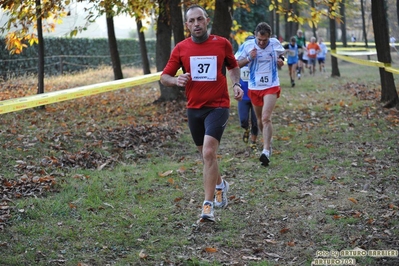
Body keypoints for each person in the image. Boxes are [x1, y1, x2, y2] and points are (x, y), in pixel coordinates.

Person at [160, 5, 243, 222]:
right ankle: (220, 185)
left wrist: (236, 84)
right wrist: (175, 80)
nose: (196, 24)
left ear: (206, 20)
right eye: (192, 21)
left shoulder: (222, 43)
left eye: (200, 19)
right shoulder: (181, 48)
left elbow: (233, 66)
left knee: (208, 153)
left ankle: (207, 207)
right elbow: (164, 76)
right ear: (187, 25)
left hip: (218, 106)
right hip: (194, 108)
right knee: (207, 156)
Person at [235, 22, 285, 167]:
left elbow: (282, 55)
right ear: (255, 36)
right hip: (255, 87)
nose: (262, 43)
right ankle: (267, 141)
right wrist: (249, 58)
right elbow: (236, 64)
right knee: (259, 120)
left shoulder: (275, 44)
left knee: (266, 118)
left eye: (265, 40)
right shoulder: (247, 46)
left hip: (271, 85)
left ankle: (266, 151)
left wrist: (281, 61)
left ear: (270, 37)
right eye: (259, 40)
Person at [235, 35, 259, 151]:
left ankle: (253, 141)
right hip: (243, 95)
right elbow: (234, 65)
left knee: (256, 121)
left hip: (256, 94)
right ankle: (246, 129)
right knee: (243, 120)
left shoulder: (260, 58)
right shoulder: (241, 57)